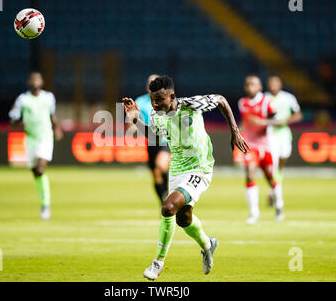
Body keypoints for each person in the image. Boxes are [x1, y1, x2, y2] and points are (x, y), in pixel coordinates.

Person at [122, 75, 249, 280]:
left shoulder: (191, 104)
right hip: (177, 170)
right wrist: (136, 118)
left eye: (159, 100)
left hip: (200, 168)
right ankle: (208, 245)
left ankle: (158, 262)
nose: (154, 104)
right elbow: (154, 136)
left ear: (172, 96)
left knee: (168, 207)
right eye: (153, 99)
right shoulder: (156, 115)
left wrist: (234, 131)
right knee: (183, 219)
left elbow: (221, 100)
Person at [9, 72, 63, 220]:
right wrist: (18, 122)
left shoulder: (48, 97)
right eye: (32, 79)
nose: (34, 81)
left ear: (42, 81)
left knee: (40, 167)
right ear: (28, 82)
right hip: (30, 138)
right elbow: (12, 118)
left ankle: (46, 205)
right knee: (36, 172)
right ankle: (44, 200)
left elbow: (52, 115)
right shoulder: (23, 99)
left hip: (45, 137)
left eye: (37, 79)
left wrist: (57, 128)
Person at [238, 75, 285, 224]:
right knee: (250, 174)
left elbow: (279, 121)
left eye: (253, 84)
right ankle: (254, 213)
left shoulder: (266, 102)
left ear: (259, 87)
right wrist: (237, 134)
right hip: (251, 146)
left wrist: (263, 122)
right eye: (247, 84)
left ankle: (279, 205)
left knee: (271, 178)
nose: (250, 87)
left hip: (267, 145)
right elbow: (245, 122)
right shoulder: (242, 103)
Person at [265, 75, 302, 205]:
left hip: (285, 135)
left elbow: (298, 114)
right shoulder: (264, 98)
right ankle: (274, 194)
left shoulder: (288, 98)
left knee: (282, 162)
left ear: (280, 85)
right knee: (273, 165)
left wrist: (286, 121)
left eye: (275, 83)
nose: (273, 85)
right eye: (271, 83)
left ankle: (273, 188)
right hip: (270, 135)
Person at [134, 74, 170, 204]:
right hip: (150, 142)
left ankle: (172, 192)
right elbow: (134, 120)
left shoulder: (167, 100)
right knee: (156, 174)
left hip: (165, 140)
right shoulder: (140, 101)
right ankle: (164, 202)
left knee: (161, 165)